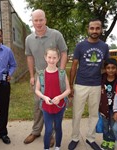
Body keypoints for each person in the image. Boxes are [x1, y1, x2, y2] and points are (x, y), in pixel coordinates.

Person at [24, 9, 68, 147]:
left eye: (41, 19)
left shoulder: (56, 35)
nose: (38, 23)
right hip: (40, 76)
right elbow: (29, 57)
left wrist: (61, 71)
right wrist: (32, 76)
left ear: (45, 20)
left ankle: (52, 135)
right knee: (39, 104)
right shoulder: (29, 39)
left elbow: (64, 52)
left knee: (55, 102)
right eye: (35, 20)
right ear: (32, 21)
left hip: (56, 75)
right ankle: (36, 131)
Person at [68, 18, 109, 150]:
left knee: (94, 114)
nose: (94, 31)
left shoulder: (104, 46)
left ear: (101, 29)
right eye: (92, 28)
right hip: (81, 84)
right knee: (77, 113)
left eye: (97, 28)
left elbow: (106, 67)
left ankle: (90, 138)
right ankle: (75, 137)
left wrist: (105, 83)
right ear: (88, 29)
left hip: (96, 85)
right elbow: (74, 66)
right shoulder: (80, 46)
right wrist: (70, 86)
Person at [35, 48, 70, 150]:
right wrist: (44, 97)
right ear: (45, 58)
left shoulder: (62, 73)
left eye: (54, 58)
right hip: (47, 106)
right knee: (48, 130)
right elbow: (37, 90)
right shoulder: (41, 74)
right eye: (49, 57)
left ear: (58, 58)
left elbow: (68, 90)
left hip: (60, 106)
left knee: (58, 127)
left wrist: (59, 97)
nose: (51, 60)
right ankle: (46, 148)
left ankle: (57, 146)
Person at [99, 58, 117, 150]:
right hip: (104, 107)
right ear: (105, 69)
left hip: (115, 109)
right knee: (105, 126)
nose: (111, 70)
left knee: (113, 126)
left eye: (113, 68)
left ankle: (112, 141)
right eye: (108, 68)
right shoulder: (101, 78)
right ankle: (105, 140)